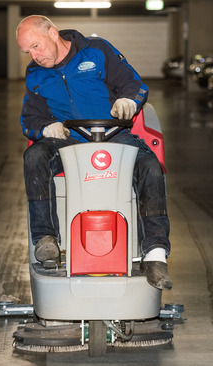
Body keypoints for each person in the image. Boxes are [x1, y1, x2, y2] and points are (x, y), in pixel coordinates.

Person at [16, 15, 173, 290]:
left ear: (53, 34)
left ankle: (155, 253)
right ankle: (46, 239)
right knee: (35, 156)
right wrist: (46, 128)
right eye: (27, 52)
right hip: (69, 139)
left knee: (149, 165)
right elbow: (29, 119)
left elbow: (134, 84)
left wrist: (128, 100)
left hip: (115, 134)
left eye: (36, 46)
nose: (34, 56)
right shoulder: (35, 74)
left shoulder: (97, 50)